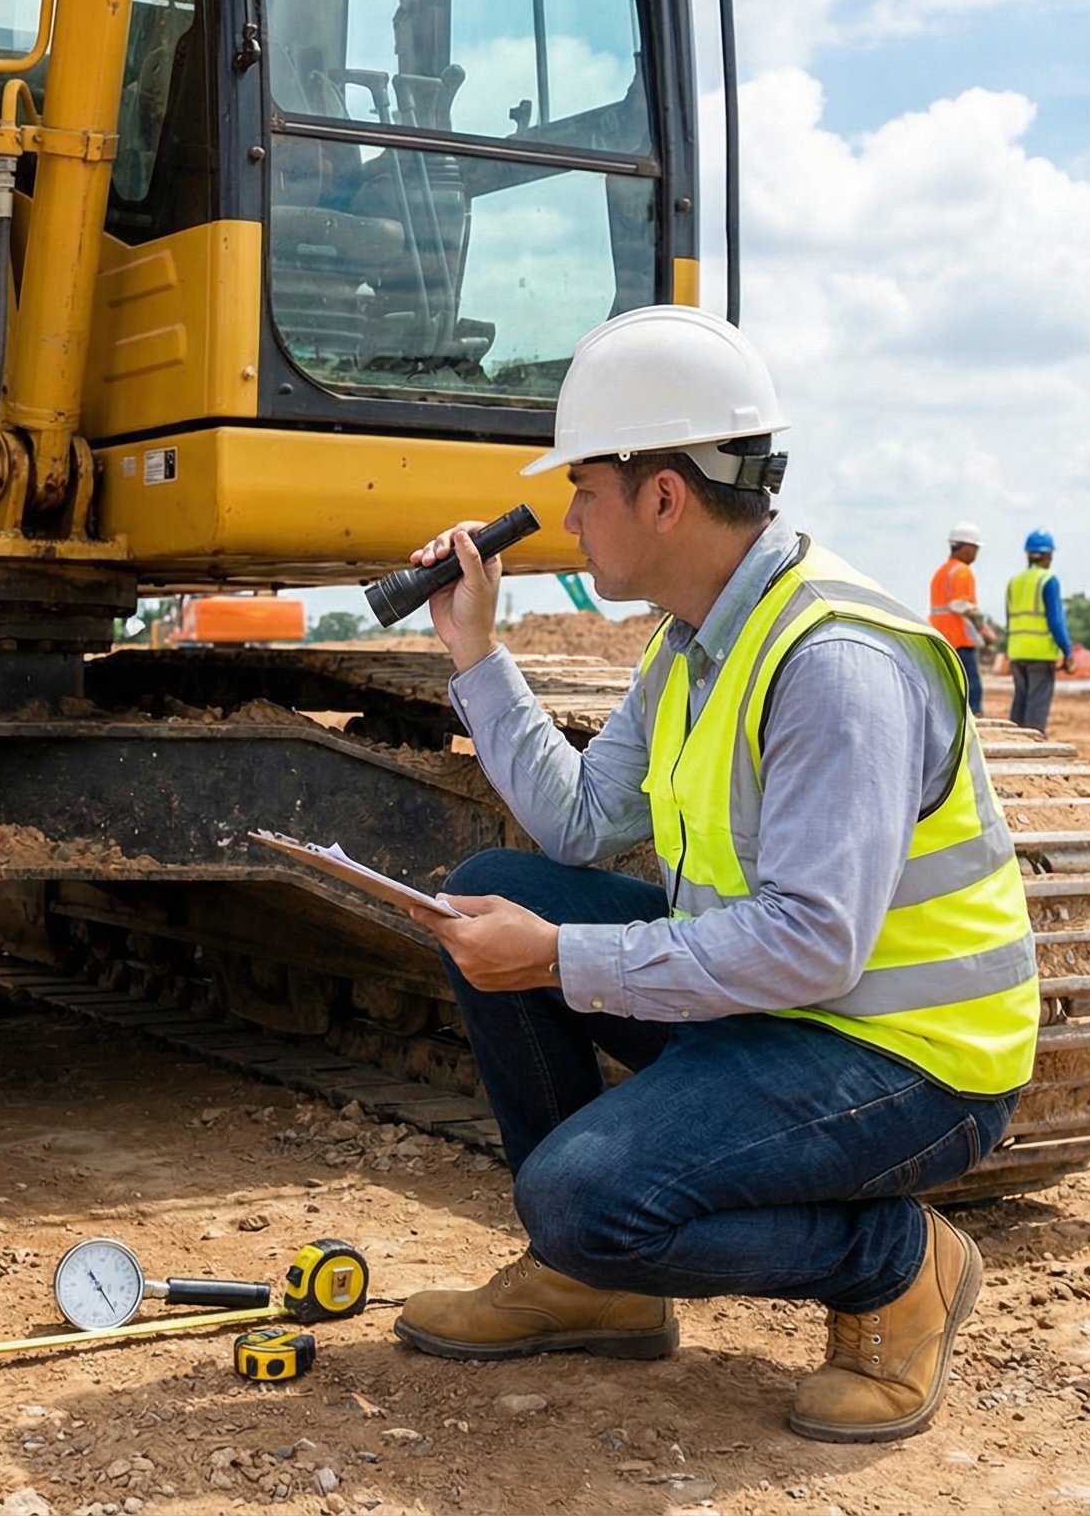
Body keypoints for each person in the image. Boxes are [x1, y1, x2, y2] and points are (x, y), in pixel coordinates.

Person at [388, 306, 1038, 1446]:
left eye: (585, 490)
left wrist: (562, 959)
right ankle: (594, 1281)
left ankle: (895, 1264)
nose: (570, 520)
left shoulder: (832, 662)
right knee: (498, 880)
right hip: (790, 1010)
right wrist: (475, 652)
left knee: (582, 1192)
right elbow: (582, 826)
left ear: (664, 496)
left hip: (907, 1057)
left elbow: (813, 942)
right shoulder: (692, 640)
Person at [1003, 531, 1074, 733]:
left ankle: (1013, 744)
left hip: (1017, 652)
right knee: (1036, 707)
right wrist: (1067, 651)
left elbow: (1010, 620)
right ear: (1048, 555)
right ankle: (1033, 747)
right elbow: (1055, 620)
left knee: (1020, 703)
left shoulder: (1014, 582)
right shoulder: (1048, 580)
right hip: (1040, 654)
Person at [929, 522, 997, 714]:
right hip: (960, 638)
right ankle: (975, 725)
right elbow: (961, 605)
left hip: (942, 638)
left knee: (950, 689)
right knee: (972, 688)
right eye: (974, 547)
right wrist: (984, 630)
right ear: (964, 547)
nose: (976, 552)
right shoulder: (961, 571)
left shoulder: (941, 572)